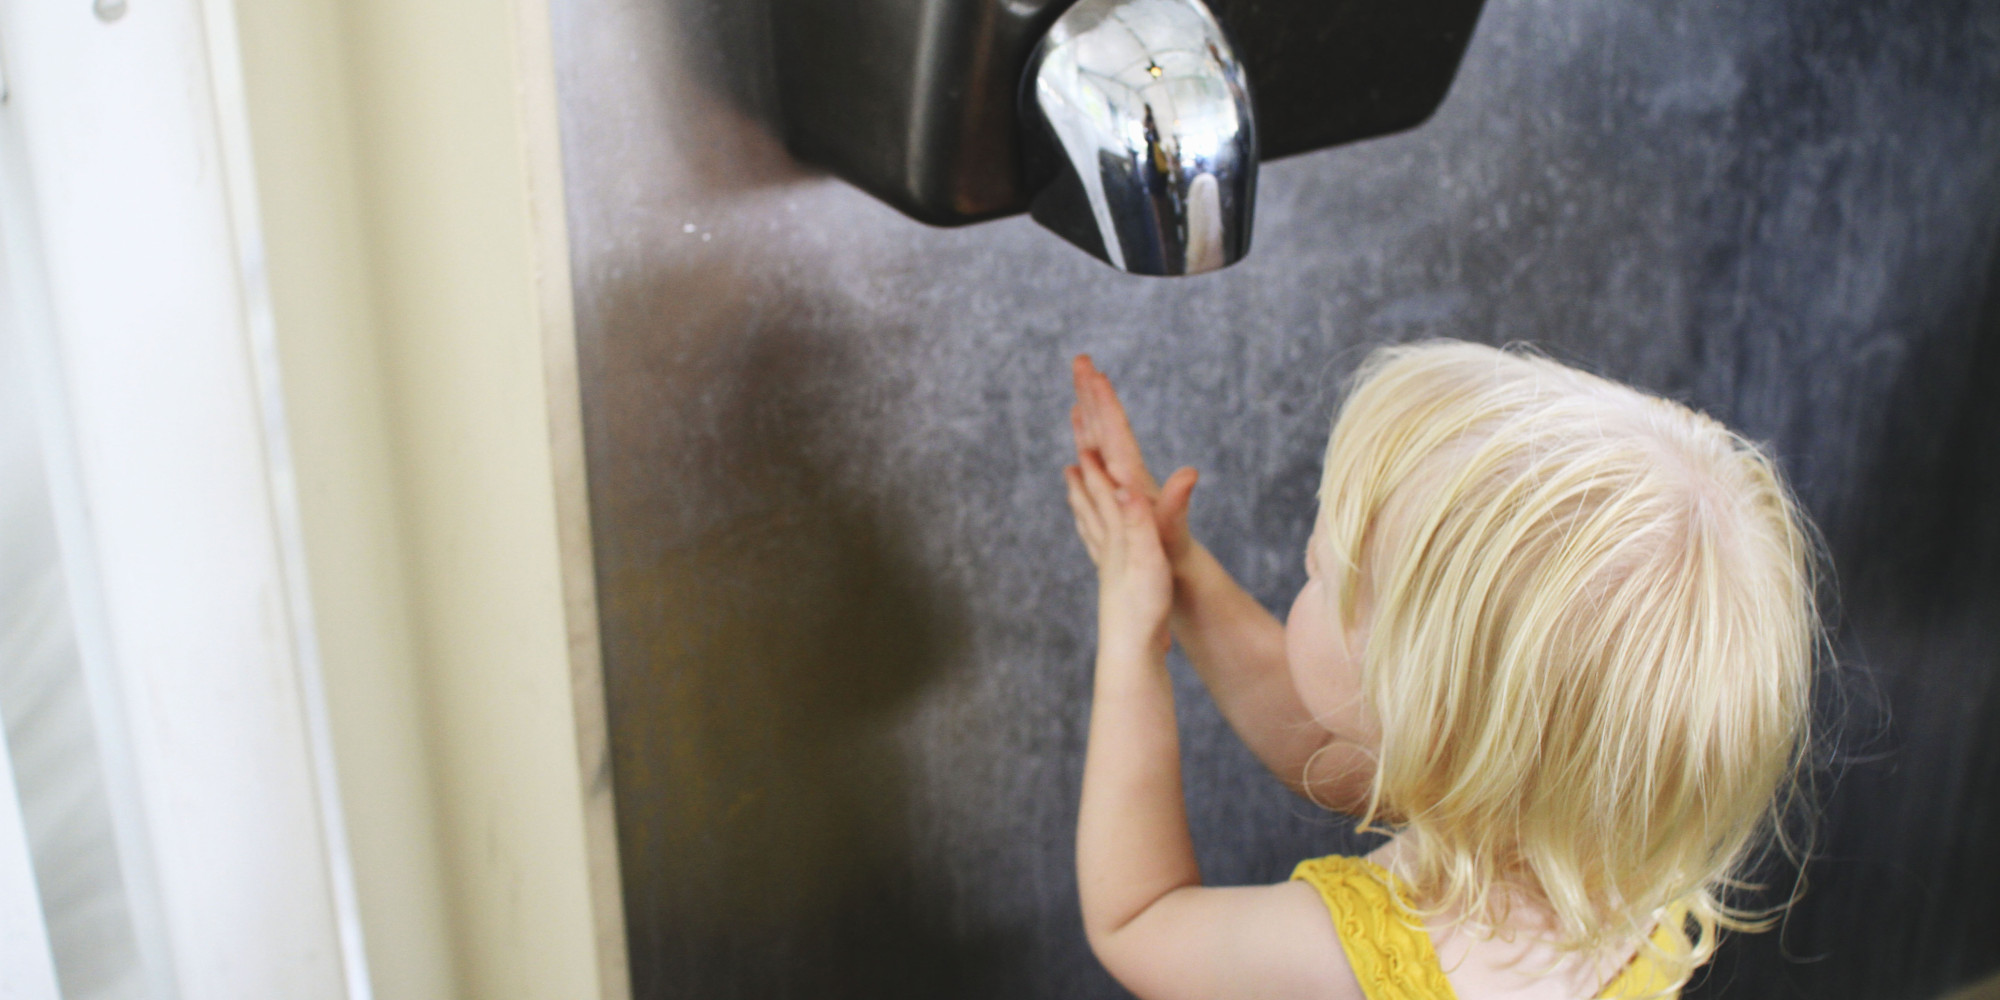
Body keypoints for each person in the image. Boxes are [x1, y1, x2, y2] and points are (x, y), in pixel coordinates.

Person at [1060, 340, 1817, 1000]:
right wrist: (1180, 574)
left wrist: (1131, 635)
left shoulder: (1347, 955)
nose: (1306, 566)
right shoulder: (1628, 859)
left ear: (1418, 700)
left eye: (1319, 571)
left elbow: (1137, 919)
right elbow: (1331, 753)